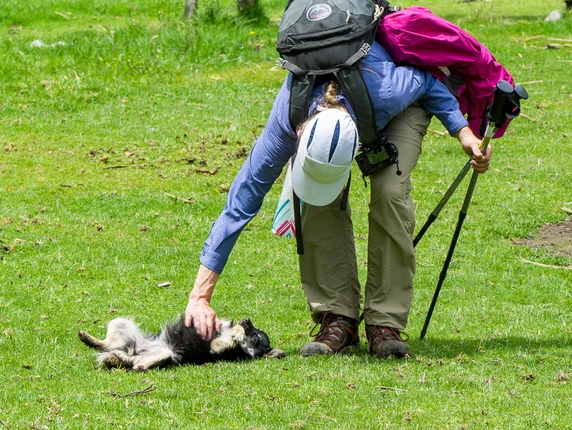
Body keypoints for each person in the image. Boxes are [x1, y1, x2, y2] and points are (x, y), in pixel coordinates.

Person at [184, 40, 492, 359]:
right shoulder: (286, 122)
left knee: (389, 191)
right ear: (299, 136)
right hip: (339, 105)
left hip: (397, 106)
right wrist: (199, 296)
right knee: (315, 201)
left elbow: (430, 84)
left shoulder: (391, 91)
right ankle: (338, 320)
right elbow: (240, 203)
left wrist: (464, 134)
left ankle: (384, 324)